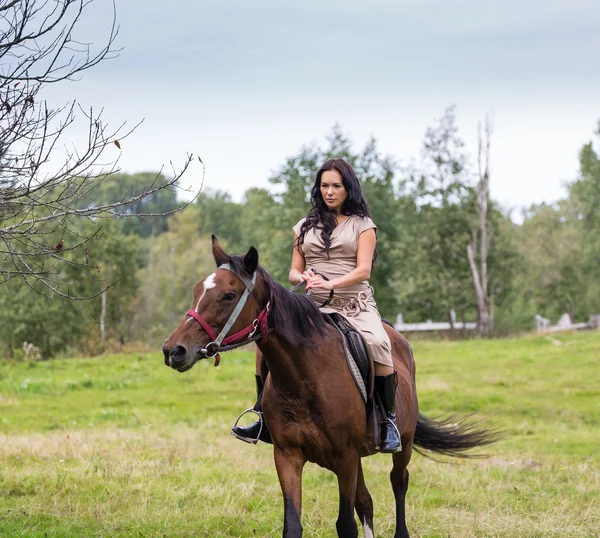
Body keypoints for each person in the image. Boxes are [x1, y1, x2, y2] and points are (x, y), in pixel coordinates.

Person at [232, 158, 401, 453]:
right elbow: (293, 272)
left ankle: (388, 421)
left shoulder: (364, 226)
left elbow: (364, 271)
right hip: (312, 306)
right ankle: (261, 414)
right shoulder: (304, 227)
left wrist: (331, 283)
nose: (330, 192)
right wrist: (306, 276)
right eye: (325, 185)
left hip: (354, 303)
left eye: (336, 186)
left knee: (377, 342)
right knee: (265, 342)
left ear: (348, 188)